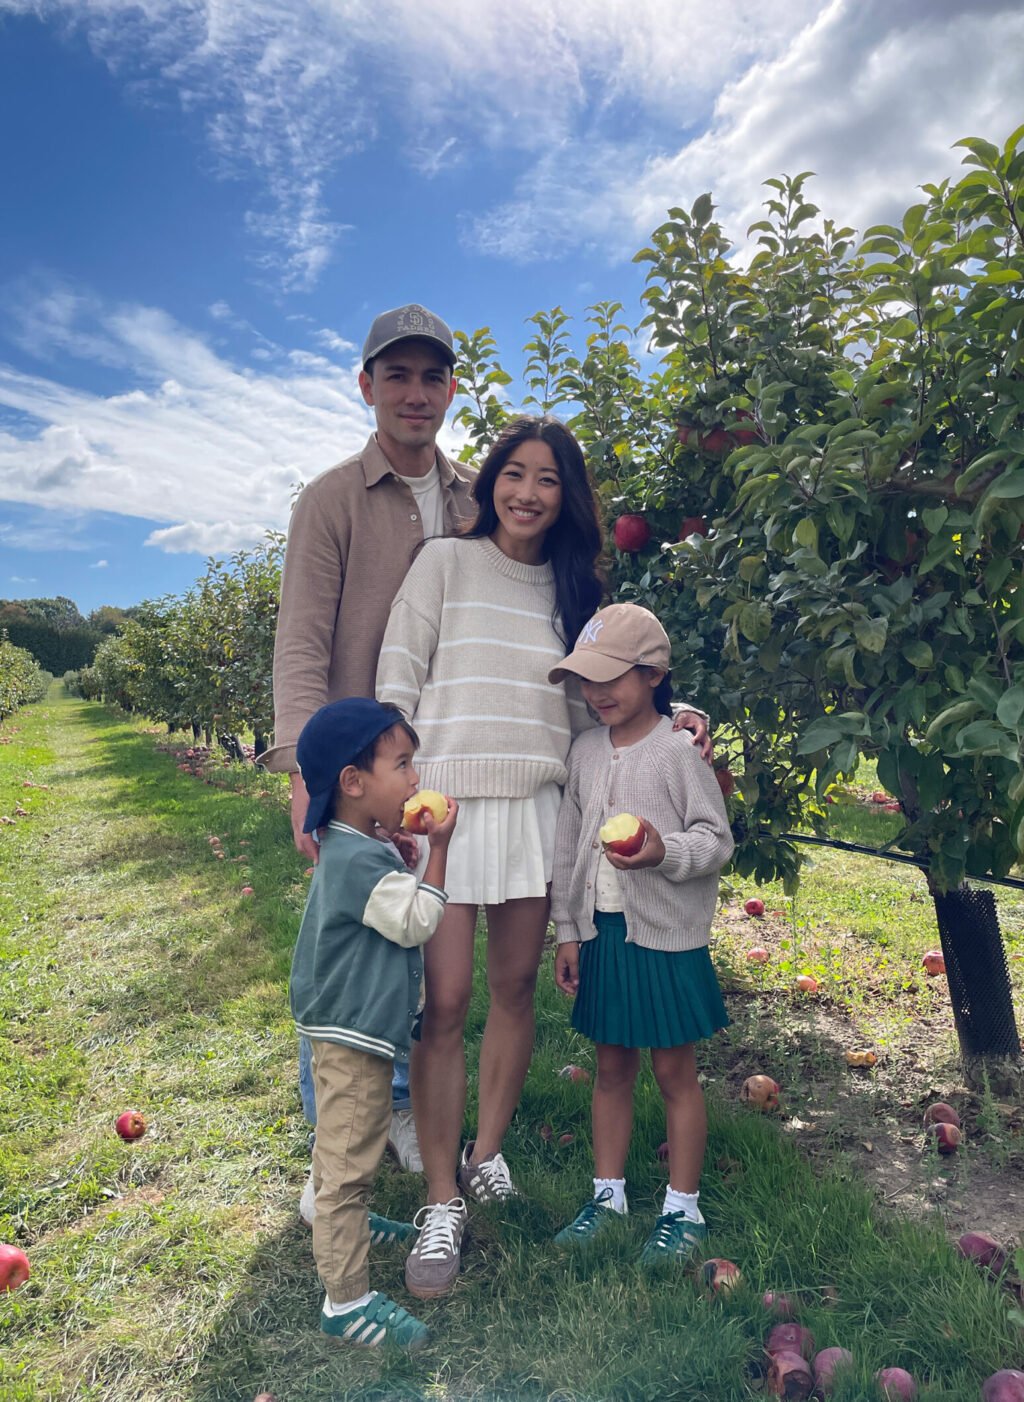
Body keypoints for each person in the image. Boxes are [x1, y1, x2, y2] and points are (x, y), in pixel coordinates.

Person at [376, 415, 712, 1300]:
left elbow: (601, 695)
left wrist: (676, 718)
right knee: (442, 1003)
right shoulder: (443, 563)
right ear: (489, 484)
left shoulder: (572, 591)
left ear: (568, 498)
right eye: (514, 474)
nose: (527, 492)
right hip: (446, 807)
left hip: (536, 806)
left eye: (548, 480)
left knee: (514, 990)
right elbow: (398, 676)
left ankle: (486, 1154)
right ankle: (441, 1198)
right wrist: (396, 794)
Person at [261, 302, 477, 1200]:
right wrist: (306, 776)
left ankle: (397, 1103)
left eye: (432, 377)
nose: (416, 394)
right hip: (355, 770)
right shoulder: (332, 499)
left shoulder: (475, 498)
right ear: (367, 387)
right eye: (398, 376)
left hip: (444, 757)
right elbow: (303, 640)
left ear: (452, 390)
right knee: (350, 944)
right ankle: (337, 1127)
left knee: (413, 936)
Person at [548, 602, 734, 1264]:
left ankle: (683, 1207)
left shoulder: (676, 754)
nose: (596, 693)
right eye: (586, 680)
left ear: (654, 674)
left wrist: (663, 853)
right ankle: (609, 1194)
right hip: (602, 935)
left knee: (675, 1071)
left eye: (612, 678)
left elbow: (716, 839)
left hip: (665, 937)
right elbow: (570, 842)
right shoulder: (584, 750)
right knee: (610, 1068)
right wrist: (568, 930)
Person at [289, 696, 458, 1349]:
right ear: (354, 784)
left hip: (340, 1021)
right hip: (353, 1031)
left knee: (342, 1133)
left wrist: (405, 856)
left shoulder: (356, 844)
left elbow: (389, 905)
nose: (416, 779)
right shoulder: (359, 859)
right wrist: (439, 852)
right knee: (351, 1160)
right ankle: (346, 1300)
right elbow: (417, 920)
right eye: (403, 764)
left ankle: (323, 1208)